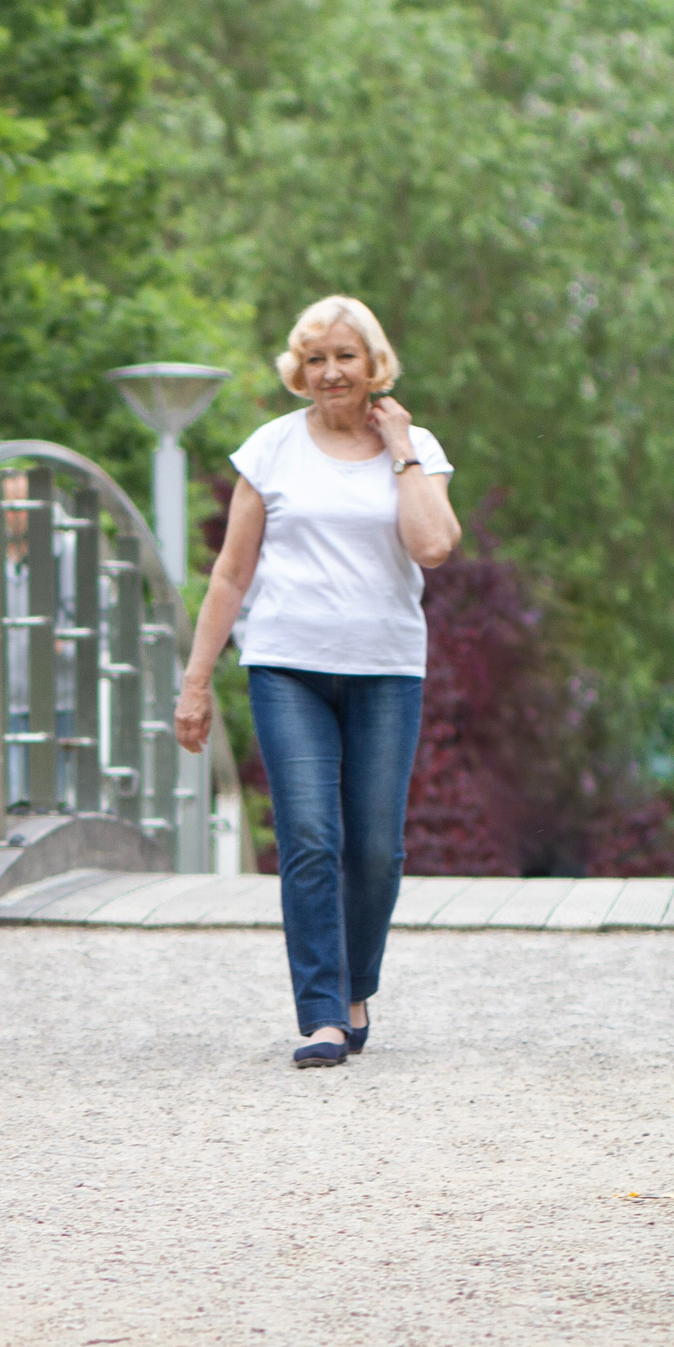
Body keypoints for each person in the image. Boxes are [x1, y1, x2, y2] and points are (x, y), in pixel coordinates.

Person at [173, 295, 461, 1068]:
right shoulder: (269, 449)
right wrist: (196, 680)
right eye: (316, 358)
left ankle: (357, 984)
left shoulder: (417, 446)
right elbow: (231, 574)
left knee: (375, 845)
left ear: (375, 366)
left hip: (385, 671)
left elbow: (433, 545)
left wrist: (399, 445)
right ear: (300, 371)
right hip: (286, 666)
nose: (330, 371)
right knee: (308, 838)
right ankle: (324, 1012)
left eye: (345, 356)